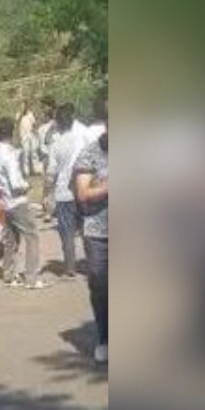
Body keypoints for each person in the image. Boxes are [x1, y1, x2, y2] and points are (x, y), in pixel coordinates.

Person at [0, 117, 45, 289]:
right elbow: (16, 183)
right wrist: (26, 185)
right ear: (12, 133)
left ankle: (9, 274)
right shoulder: (9, 155)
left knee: (12, 240)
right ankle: (31, 278)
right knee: (32, 236)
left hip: (5, 201)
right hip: (17, 201)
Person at [73, 99, 108, 365]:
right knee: (99, 285)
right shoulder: (89, 154)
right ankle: (106, 338)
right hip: (98, 233)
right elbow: (83, 194)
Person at [45, 103, 88, 276]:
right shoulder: (82, 139)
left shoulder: (56, 145)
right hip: (83, 190)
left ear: (58, 123)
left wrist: (47, 193)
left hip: (63, 194)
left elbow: (51, 173)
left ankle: (70, 268)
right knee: (87, 230)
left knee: (67, 232)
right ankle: (92, 263)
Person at [17, 101, 37, 177]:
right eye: (22, 106)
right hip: (24, 136)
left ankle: (35, 170)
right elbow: (17, 122)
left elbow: (34, 124)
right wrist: (21, 114)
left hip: (31, 135)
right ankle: (26, 172)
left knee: (33, 153)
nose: (23, 107)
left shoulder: (30, 114)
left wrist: (35, 133)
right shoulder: (18, 114)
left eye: (24, 105)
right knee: (25, 154)